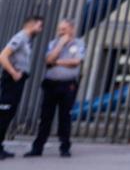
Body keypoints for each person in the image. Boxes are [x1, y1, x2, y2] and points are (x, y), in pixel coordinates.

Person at [24, 19, 85, 158]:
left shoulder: (79, 43)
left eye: (63, 29)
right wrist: (61, 44)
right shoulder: (53, 43)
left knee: (65, 117)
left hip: (68, 85)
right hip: (51, 84)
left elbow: (75, 62)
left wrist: (56, 62)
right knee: (45, 117)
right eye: (59, 29)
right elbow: (48, 60)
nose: (60, 32)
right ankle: (37, 148)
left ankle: (64, 147)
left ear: (71, 29)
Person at [0, 14, 44, 160]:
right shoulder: (20, 37)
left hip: (18, 80)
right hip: (11, 80)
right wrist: (13, 72)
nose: (41, 29)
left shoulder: (27, 40)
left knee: (9, 113)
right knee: (4, 113)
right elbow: (3, 56)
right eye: (39, 26)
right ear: (31, 25)